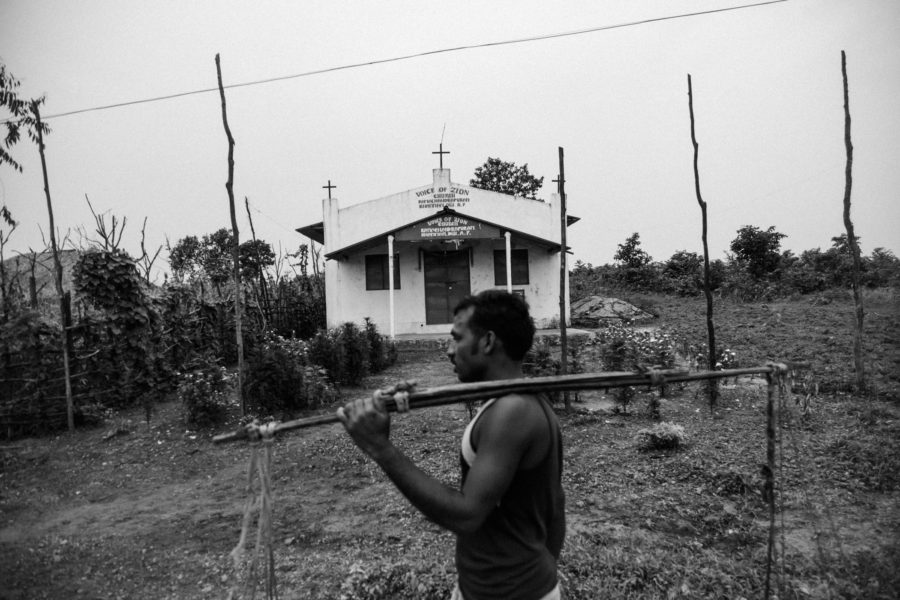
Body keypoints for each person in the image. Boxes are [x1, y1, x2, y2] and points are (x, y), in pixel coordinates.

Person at [336, 290, 565, 600]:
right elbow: (555, 505)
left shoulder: (513, 411)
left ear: (487, 341)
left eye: (456, 338)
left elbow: (467, 515)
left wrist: (381, 448)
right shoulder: (519, 401)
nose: (448, 350)